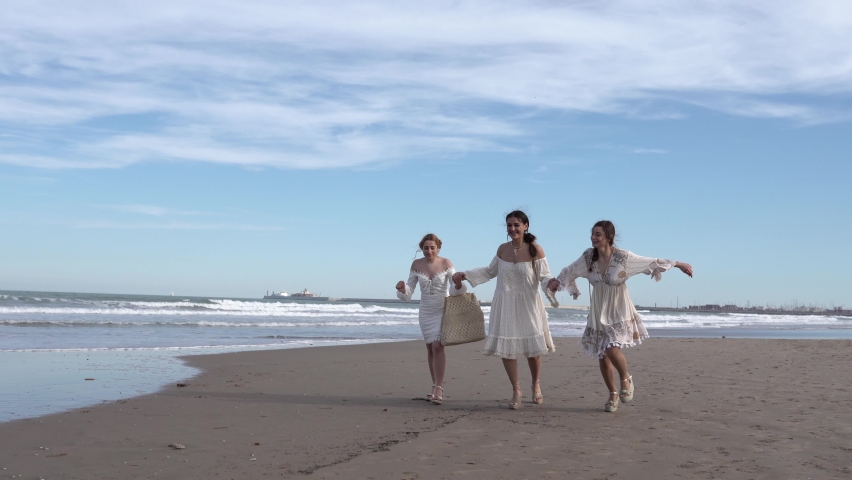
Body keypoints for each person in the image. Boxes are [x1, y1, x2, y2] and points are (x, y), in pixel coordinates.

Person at [548, 220, 693, 412]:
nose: (593, 237)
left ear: (609, 237)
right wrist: (557, 282)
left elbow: (651, 262)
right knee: (603, 355)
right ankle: (612, 394)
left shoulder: (623, 257)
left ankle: (626, 379)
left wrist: (679, 264)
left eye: (598, 234)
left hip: (619, 308)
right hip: (599, 309)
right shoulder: (588, 257)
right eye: (592, 234)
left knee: (612, 349)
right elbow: (571, 270)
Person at [452, 210, 556, 410]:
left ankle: (536, 384)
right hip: (505, 303)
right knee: (508, 350)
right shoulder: (502, 249)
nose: (512, 229)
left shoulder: (536, 250)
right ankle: (516, 390)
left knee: (533, 350)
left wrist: (551, 283)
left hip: (528, 303)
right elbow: (490, 271)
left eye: (517, 225)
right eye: (509, 225)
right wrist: (466, 275)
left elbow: (544, 276)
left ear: (526, 226)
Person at [396, 233, 466, 405]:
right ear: (422, 248)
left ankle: (439, 388)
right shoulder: (416, 265)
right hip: (425, 311)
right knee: (430, 348)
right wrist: (403, 289)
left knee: (438, 346)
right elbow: (409, 292)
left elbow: (455, 288)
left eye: (432, 247)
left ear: (438, 248)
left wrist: (457, 283)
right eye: (426, 248)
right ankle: (434, 384)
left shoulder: (446, 263)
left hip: (443, 309)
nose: (429, 251)